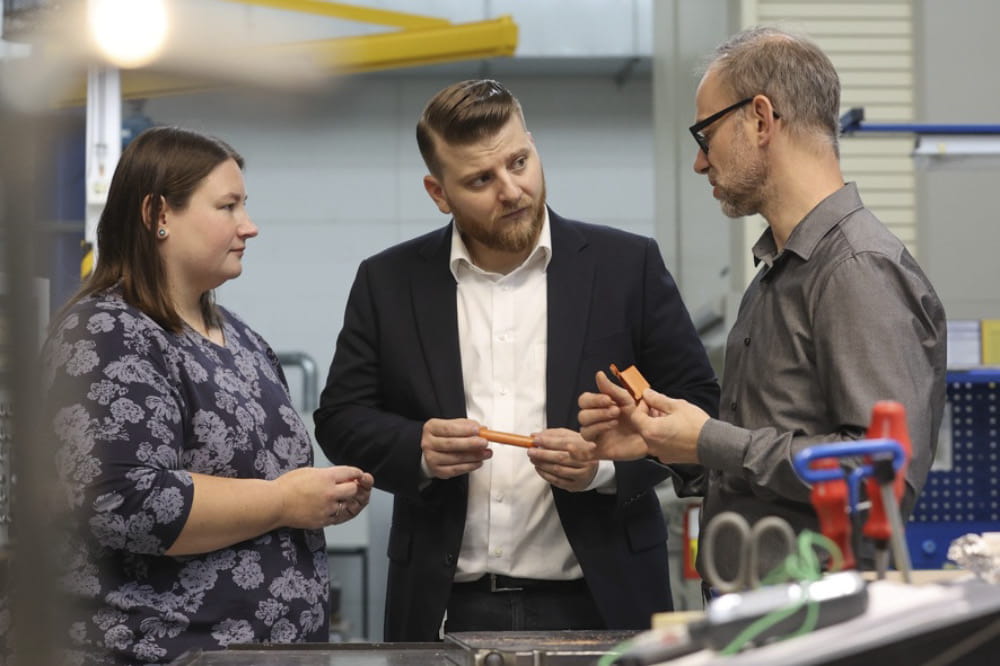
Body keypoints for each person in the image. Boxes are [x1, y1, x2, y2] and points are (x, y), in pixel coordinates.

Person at [314, 79, 720, 641]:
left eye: (519, 161)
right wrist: (418, 449)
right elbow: (340, 418)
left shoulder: (627, 268)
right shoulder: (388, 281)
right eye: (481, 179)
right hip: (443, 607)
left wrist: (603, 469)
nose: (512, 190)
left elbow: (700, 407)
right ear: (438, 192)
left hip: (603, 598)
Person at [575, 26, 947, 585]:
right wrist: (671, 446)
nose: (701, 164)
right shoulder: (777, 274)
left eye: (706, 134)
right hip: (761, 617)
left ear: (761, 119)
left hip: (817, 624)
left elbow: (877, 480)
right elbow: (761, 466)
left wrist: (709, 438)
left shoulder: (856, 268)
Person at [42, 126, 374, 665]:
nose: (250, 226)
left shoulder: (241, 338)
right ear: (159, 215)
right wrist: (284, 501)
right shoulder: (107, 331)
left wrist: (317, 499)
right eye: (228, 207)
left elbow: (261, 486)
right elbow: (127, 502)